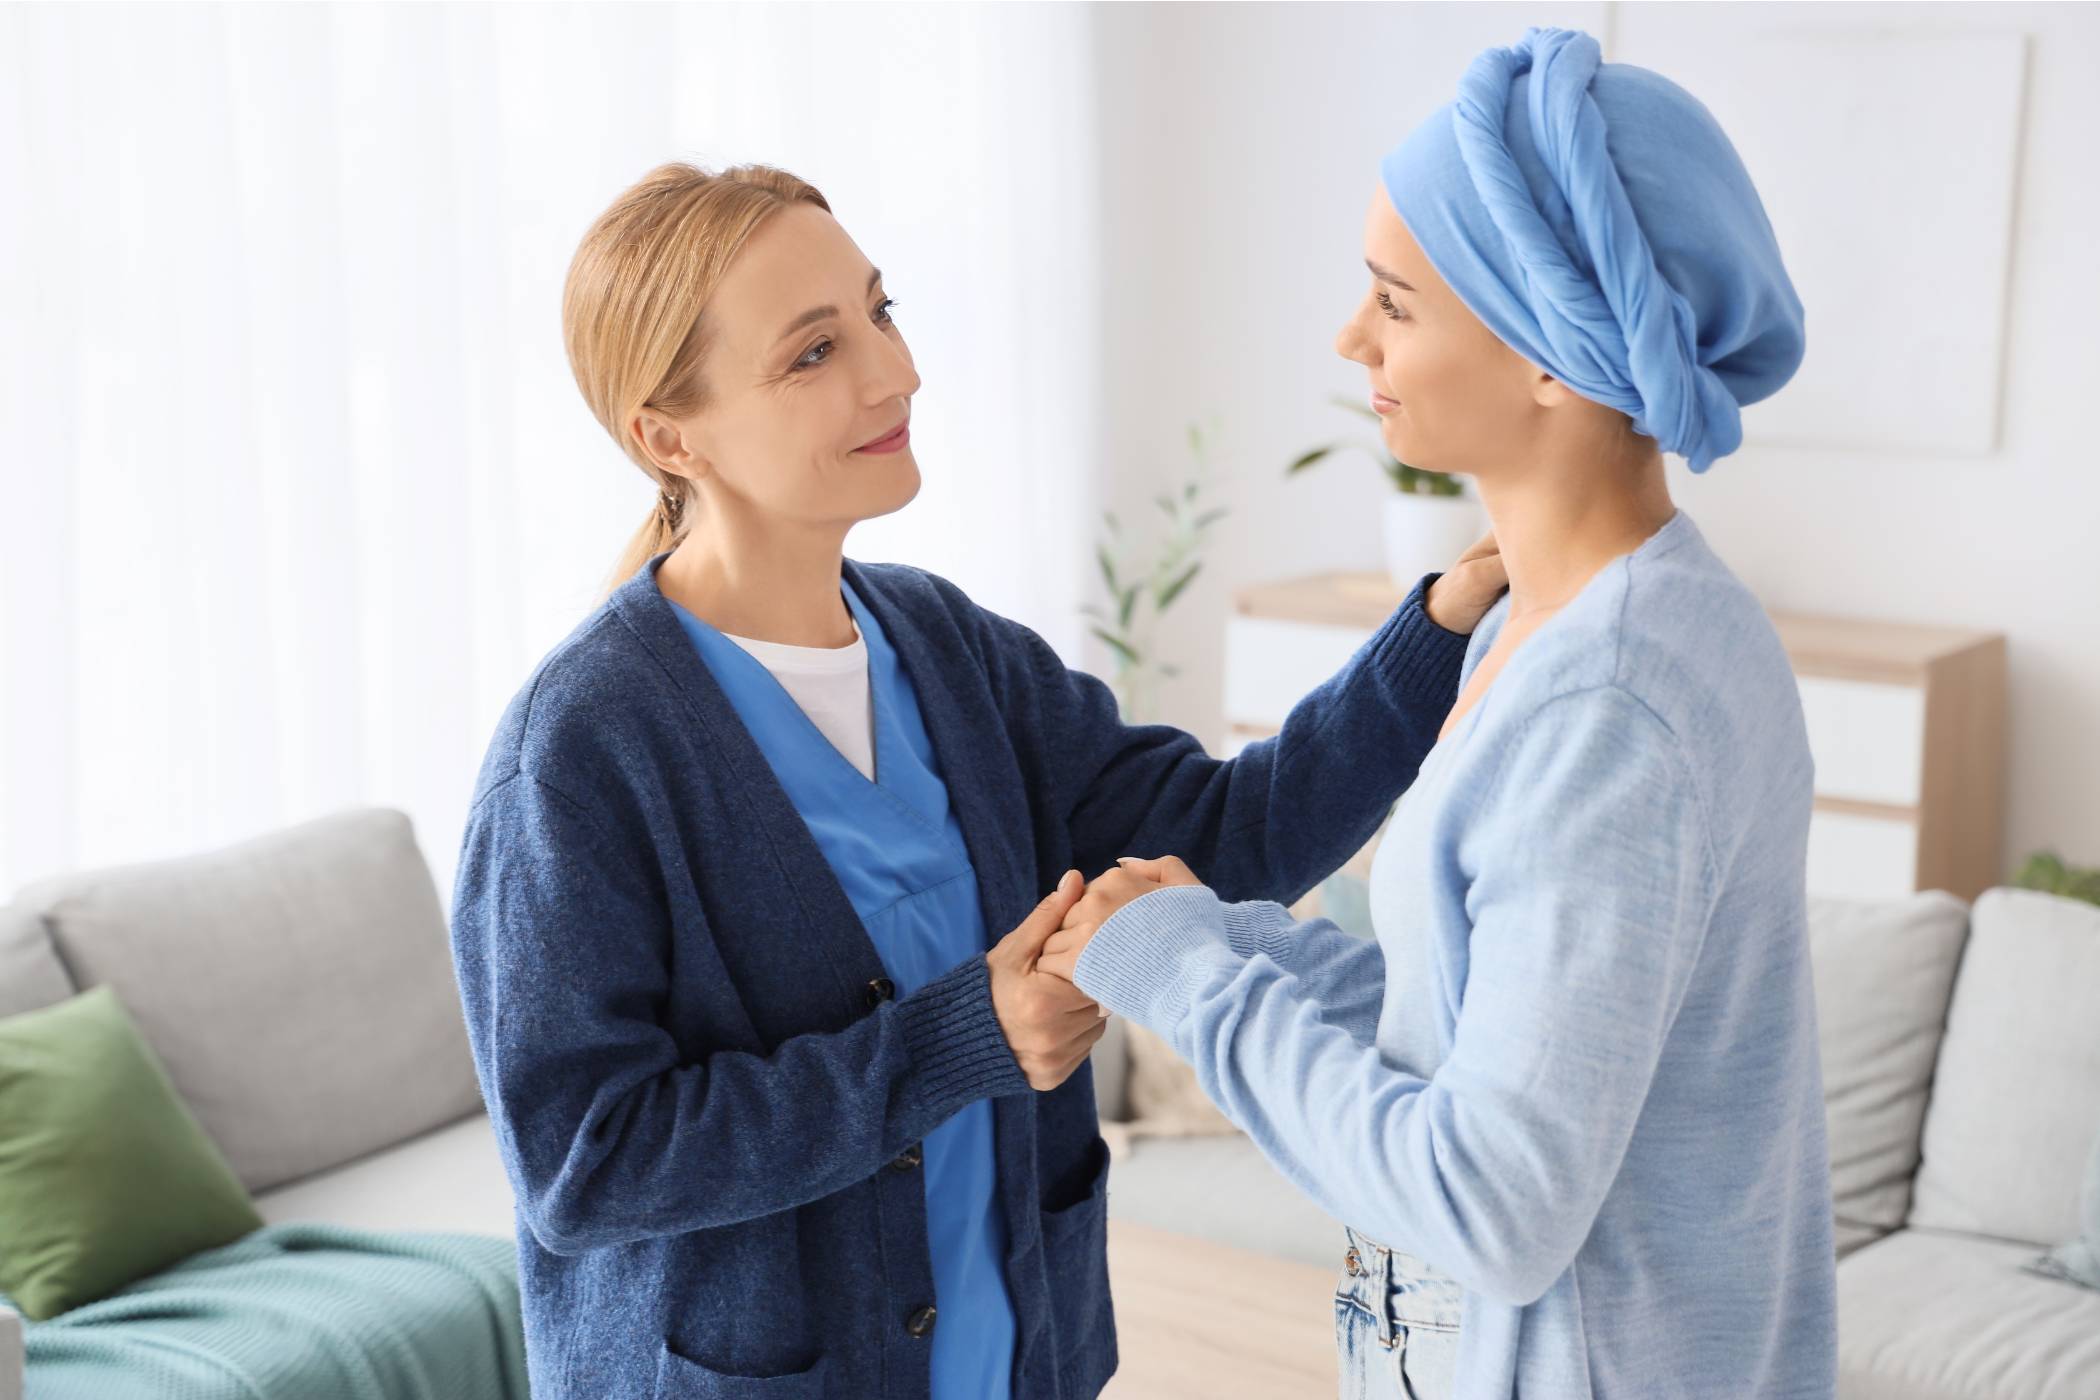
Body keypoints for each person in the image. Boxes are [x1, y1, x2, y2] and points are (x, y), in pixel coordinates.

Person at [446, 158, 1510, 1400]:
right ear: (667, 434)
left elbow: (1236, 829)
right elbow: (586, 1162)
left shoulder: (945, 649)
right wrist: (963, 1041)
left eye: (880, 314)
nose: (892, 373)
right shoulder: (581, 751)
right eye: (811, 353)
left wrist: (1443, 620)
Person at [1037, 25, 1836, 1400]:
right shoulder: (1552, 625)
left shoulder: (1613, 708)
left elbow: (1489, 1205)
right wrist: (1227, 942)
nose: (1354, 337)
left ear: (1550, 354)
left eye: (1396, 304)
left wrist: (1190, 981)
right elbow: (1466, 1026)